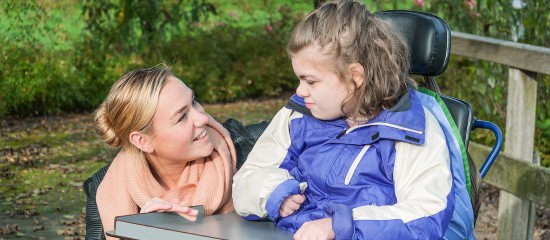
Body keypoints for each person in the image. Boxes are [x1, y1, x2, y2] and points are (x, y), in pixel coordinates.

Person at [232, 0, 470, 239]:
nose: (300, 91)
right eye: (299, 79)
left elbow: (426, 214)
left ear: (356, 76)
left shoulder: (409, 127)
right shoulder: (300, 113)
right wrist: (273, 193)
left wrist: (344, 225)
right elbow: (247, 178)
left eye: (311, 81)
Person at [93, 65, 236, 239]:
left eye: (194, 101)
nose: (203, 118)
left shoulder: (246, 155)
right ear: (143, 141)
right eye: (182, 117)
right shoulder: (109, 193)